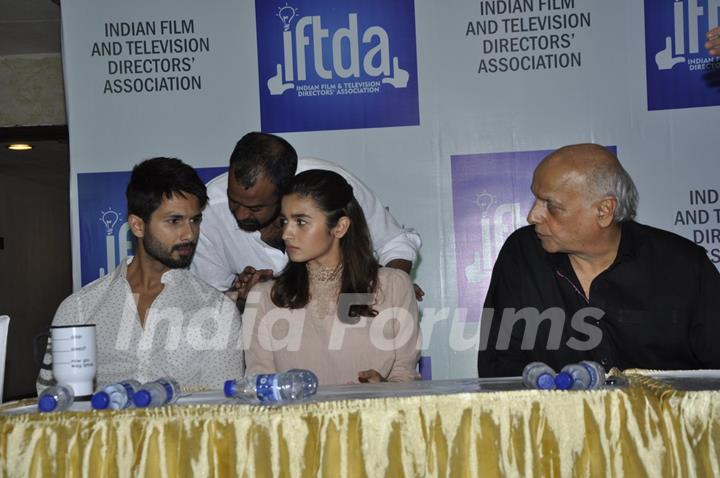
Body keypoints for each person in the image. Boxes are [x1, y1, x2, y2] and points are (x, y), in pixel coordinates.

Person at [477, 144, 720, 377]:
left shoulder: (683, 266)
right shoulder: (521, 255)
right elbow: (498, 369)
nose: (532, 216)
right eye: (536, 200)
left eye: (551, 205)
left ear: (604, 211)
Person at [37, 158, 243, 392]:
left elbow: (222, 412)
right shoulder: (79, 309)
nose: (189, 234)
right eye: (174, 221)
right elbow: (54, 406)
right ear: (137, 225)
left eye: (195, 220)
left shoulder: (218, 311)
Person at [190, 132, 424, 306]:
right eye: (234, 201)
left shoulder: (331, 189)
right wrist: (245, 298)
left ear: (285, 193)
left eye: (255, 207)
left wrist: (392, 293)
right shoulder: (210, 213)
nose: (240, 214)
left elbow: (395, 243)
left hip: (350, 328)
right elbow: (214, 306)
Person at [244, 170, 421, 385]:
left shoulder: (393, 286)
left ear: (339, 227)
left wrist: (383, 389)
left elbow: (406, 376)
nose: (286, 234)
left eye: (300, 222)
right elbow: (259, 384)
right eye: (284, 222)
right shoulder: (265, 297)